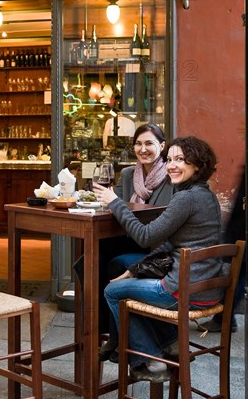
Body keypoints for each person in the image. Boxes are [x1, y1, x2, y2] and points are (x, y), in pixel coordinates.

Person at [94, 136, 223, 383]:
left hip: (182, 292)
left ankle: (147, 359)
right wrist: (135, 269)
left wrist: (115, 203)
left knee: (113, 291)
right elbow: (169, 243)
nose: (172, 166)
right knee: (123, 269)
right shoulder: (206, 195)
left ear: (197, 165)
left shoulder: (185, 198)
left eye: (181, 160)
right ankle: (170, 343)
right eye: (170, 160)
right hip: (206, 288)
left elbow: (144, 236)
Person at [73, 124, 173, 360]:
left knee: (115, 265)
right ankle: (102, 329)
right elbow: (115, 207)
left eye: (149, 143)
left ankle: (119, 337)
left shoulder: (172, 176)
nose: (143, 149)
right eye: (138, 144)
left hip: (156, 247)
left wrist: (115, 202)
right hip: (130, 238)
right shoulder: (129, 174)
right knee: (87, 261)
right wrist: (103, 200)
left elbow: (161, 224)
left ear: (162, 146)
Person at [197, 166, 246, 333]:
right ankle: (224, 317)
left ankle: (223, 317)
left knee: (240, 273)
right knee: (239, 273)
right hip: (243, 226)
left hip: (245, 228)